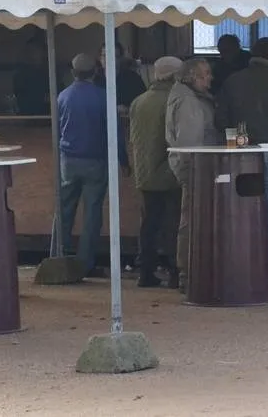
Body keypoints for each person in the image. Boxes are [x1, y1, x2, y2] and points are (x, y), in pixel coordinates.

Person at [215, 37, 268, 297]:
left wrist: (236, 143)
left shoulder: (232, 81)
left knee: (237, 214)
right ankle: (263, 274)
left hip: (237, 154)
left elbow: (221, 119)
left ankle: (236, 273)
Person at [58, 53, 130, 277]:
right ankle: (85, 263)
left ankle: (59, 257)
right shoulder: (104, 97)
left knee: (64, 210)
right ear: (96, 72)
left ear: (73, 72)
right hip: (96, 161)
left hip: (68, 160)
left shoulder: (62, 96)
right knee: (92, 213)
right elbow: (115, 133)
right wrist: (123, 161)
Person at [128, 56, 183, 288]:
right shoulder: (174, 100)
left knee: (149, 223)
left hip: (145, 171)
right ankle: (174, 272)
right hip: (168, 170)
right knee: (172, 223)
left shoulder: (138, 101)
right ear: (174, 76)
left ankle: (146, 272)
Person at [166, 58, 218, 292]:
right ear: (192, 76)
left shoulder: (184, 96)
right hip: (196, 169)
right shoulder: (189, 102)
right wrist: (196, 171)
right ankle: (189, 273)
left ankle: (189, 272)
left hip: (192, 167)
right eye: (205, 74)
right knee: (191, 221)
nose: (210, 78)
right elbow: (190, 145)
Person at [95, 41, 146, 111]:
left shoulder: (133, 79)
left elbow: (143, 104)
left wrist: (128, 109)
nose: (109, 59)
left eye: (114, 56)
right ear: (100, 58)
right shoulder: (94, 80)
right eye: (105, 55)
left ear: (121, 58)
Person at [13, 32, 51, 115]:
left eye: (34, 50)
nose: (31, 54)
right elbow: (17, 96)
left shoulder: (50, 72)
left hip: (47, 117)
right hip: (25, 115)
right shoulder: (21, 74)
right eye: (28, 51)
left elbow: (57, 95)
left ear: (43, 52)